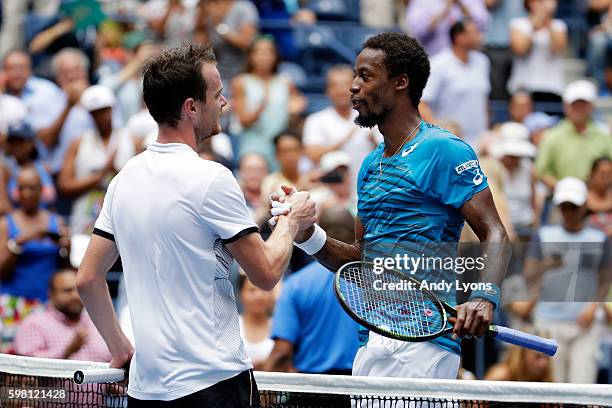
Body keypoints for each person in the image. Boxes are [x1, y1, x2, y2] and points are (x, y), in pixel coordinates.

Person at [76, 43, 316, 406]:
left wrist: (120, 347)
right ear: (191, 107)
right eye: (217, 95)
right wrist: (291, 219)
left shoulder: (124, 179)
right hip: (213, 385)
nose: (225, 104)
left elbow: (88, 279)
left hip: (146, 390)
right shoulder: (212, 179)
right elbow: (265, 274)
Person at [272, 32, 509, 380]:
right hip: (372, 341)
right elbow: (360, 262)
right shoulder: (369, 166)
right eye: (355, 75)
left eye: (365, 76)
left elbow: (495, 231)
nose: (353, 86)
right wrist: (305, 233)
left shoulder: (443, 149)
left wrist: (484, 296)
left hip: (425, 343)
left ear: (400, 82)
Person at [524, 177, 611, 383]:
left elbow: (605, 278)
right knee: (553, 392)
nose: (569, 212)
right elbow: (529, 275)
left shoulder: (600, 239)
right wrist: (547, 265)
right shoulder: (543, 236)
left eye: (573, 206)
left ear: (583, 207)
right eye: (565, 206)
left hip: (585, 325)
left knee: (583, 388)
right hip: (548, 322)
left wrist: (593, 307)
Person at [265, 207, 360, 374]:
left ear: (320, 233)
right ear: (354, 235)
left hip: (310, 389)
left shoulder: (296, 284)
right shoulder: (375, 283)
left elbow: (282, 351)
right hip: (361, 389)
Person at [0, 167, 69, 352]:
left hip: (45, 304)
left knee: (41, 359)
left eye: (31, 188)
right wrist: (19, 242)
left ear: (41, 190)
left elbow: (65, 269)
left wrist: (66, 248)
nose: (26, 193)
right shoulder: (6, 223)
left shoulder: (56, 221)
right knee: (10, 362)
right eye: (21, 188)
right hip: (12, 303)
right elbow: (1, 271)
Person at [58, 85, 138, 235]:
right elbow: (64, 186)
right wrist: (98, 177)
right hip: (84, 221)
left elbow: (141, 185)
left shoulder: (131, 140)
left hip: (123, 221)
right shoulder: (78, 144)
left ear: (112, 109)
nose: (100, 116)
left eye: (103, 110)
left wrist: (114, 172)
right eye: (94, 112)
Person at [231, 36, 306, 167]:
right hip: (253, 146)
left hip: (280, 148)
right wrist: (260, 107)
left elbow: (292, 119)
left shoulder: (285, 81)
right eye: (259, 52)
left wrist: (295, 112)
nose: (265, 56)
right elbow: (243, 121)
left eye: (269, 51)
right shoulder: (241, 82)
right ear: (251, 56)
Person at [302, 64, 379, 188]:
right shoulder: (315, 120)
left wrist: (375, 142)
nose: (341, 90)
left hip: (368, 189)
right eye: (335, 85)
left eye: (345, 85)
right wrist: (345, 139)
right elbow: (313, 155)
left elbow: (388, 153)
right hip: (331, 195)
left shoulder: (371, 117)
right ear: (327, 90)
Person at [13, 267, 110, 361]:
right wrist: (66, 352)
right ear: (51, 294)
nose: (75, 296)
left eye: (78, 290)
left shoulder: (97, 322)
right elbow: (26, 365)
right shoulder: (34, 323)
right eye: (67, 290)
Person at [420, 19, 491, 147]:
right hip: (449, 142)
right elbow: (422, 103)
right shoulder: (439, 64)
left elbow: (483, 100)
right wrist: (439, 133)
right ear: (460, 37)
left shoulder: (483, 62)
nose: (479, 36)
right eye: (474, 32)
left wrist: (486, 131)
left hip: (480, 143)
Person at [536, 80, 612, 190]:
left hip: (597, 199)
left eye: (583, 105)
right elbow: (541, 172)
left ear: (591, 106)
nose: (579, 109)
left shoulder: (604, 135)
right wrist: (565, 190)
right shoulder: (552, 136)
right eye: (575, 105)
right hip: (563, 201)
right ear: (566, 106)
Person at [508, 0, 568, 104]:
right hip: (523, 87)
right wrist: (536, 23)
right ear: (530, 3)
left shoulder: (559, 25)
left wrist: (547, 21)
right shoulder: (518, 24)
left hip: (553, 88)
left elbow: (558, 48)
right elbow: (521, 49)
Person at [404, 0, 489, 56]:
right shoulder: (421, 2)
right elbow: (417, 31)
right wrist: (444, 11)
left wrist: (461, 6)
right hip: (434, 60)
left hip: (468, 62)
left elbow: (482, 26)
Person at [237, 272, 275, 370]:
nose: (259, 296)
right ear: (241, 293)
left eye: (263, 290)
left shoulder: (279, 326)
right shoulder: (230, 325)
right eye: (252, 290)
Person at [485, 328, 553, 381]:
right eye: (537, 356)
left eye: (547, 358)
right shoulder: (500, 377)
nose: (544, 363)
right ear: (522, 355)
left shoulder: (545, 380)